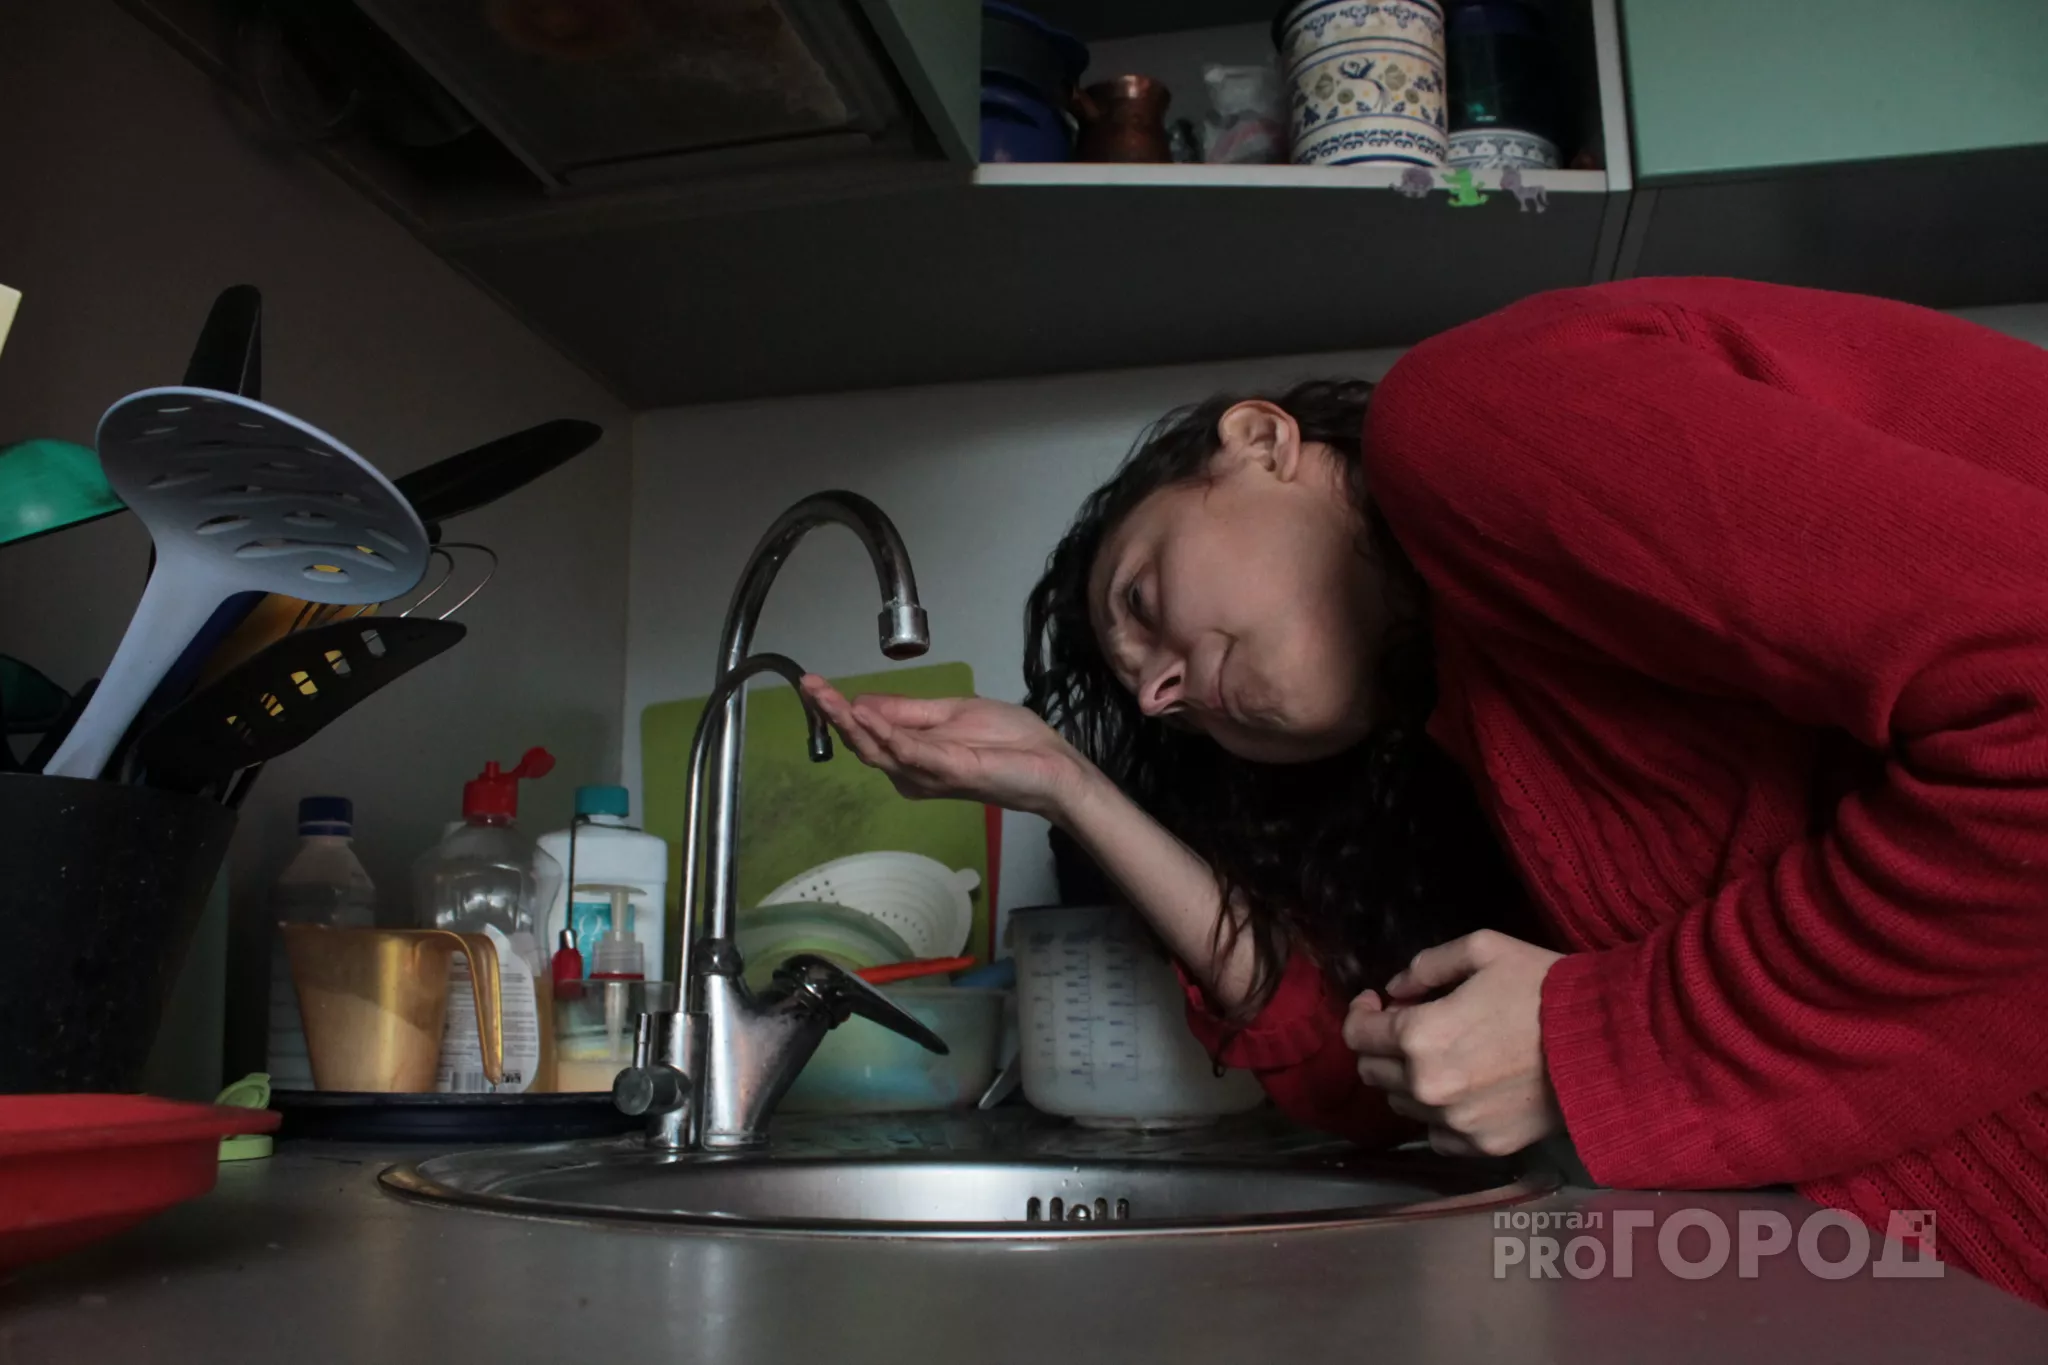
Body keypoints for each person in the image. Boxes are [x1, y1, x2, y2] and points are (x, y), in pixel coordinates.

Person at [800, 277, 2048, 1304]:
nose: (1165, 690)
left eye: (1141, 599)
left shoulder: (1478, 416)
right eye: (1153, 702)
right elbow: (1372, 1074)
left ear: (1258, 443)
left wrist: (1597, 1038)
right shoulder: (1487, 736)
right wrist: (1068, 786)